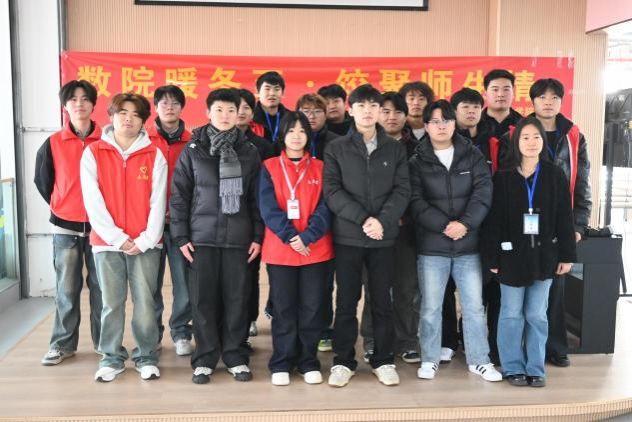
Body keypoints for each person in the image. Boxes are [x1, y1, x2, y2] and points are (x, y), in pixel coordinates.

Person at [170, 88, 263, 384]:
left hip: (239, 238)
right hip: (202, 238)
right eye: (219, 110)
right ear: (208, 113)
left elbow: (256, 198)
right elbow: (179, 196)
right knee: (203, 301)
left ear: (240, 114)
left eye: (231, 110)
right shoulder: (193, 149)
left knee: (237, 299)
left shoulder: (249, 151)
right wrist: (181, 236)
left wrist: (257, 235)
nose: (225, 115)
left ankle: (235, 356)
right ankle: (205, 358)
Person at [323, 84, 410, 387]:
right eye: (361, 105)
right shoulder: (336, 147)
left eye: (374, 106)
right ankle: (343, 361)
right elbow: (332, 191)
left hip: (383, 238)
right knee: (346, 301)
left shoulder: (395, 148)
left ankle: (383, 360)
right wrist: (363, 219)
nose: (368, 111)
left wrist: (381, 221)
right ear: (351, 110)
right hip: (348, 236)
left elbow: (402, 190)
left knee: (382, 301)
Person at [408, 100, 501, 382]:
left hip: (468, 246)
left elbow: (483, 194)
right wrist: (444, 226)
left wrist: (465, 224)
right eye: (435, 122)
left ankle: (479, 360)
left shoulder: (472, 155)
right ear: (426, 126)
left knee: (474, 308)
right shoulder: (416, 160)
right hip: (432, 247)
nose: (441, 126)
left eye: (446, 121)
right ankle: (429, 358)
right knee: (431, 308)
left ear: (454, 124)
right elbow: (415, 201)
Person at [482, 116, 576, 387]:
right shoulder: (503, 177)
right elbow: (493, 221)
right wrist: (492, 257)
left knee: (536, 314)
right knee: (511, 313)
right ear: (516, 142)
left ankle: (535, 367)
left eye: (536, 137)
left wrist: (567, 255)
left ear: (542, 141)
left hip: (545, 257)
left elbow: (565, 218)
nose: (531, 142)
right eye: (525, 137)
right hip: (511, 258)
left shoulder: (554, 175)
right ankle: (513, 367)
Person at [80, 92, 167, 382]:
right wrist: (117, 238)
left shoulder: (154, 153)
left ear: (143, 121)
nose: (128, 119)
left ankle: (146, 356)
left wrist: (145, 239)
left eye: (135, 114)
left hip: (146, 243)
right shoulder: (93, 152)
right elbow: (93, 201)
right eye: (122, 113)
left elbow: (159, 201)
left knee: (146, 302)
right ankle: (111, 357)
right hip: (106, 244)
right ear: (111, 116)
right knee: (111, 303)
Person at [258, 112, 334, 386]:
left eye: (302, 131)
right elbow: (267, 208)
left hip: (316, 249)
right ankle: (282, 361)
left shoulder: (322, 167)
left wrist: (308, 236)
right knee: (284, 308)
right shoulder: (268, 167)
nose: (297, 136)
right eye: (291, 130)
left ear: (308, 136)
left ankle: (308, 361)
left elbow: (327, 206)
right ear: (282, 135)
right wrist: (292, 237)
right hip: (282, 249)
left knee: (312, 307)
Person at [35, 80, 102, 366]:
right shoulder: (52, 143)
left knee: (102, 290)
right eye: (73, 99)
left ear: (93, 104)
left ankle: (105, 345)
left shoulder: (107, 139)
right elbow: (42, 180)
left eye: (85, 99)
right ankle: (62, 345)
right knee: (66, 290)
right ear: (65, 105)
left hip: (102, 228)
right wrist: (62, 202)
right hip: (65, 227)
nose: (79, 104)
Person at [529, 78, 592, 368]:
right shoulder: (519, 132)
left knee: (556, 287)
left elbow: (582, 183)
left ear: (561, 101)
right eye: (542, 97)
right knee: (524, 284)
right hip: (527, 219)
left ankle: (555, 346)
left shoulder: (573, 135)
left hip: (560, 222)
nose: (548, 102)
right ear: (533, 101)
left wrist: (578, 225)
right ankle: (525, 346)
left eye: (554, 97)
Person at [361, 91, 420, 364]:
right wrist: (379, 219)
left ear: (406, 116)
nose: (391, 117)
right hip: (373, 229)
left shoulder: (418, 148)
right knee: (374, 289)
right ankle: (372, 339)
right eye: (385, 111)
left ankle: (407, 340)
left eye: (398, 111)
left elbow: (415, 190)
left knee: (407, 288)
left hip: (407, 230)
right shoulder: (364, 145)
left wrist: (400, 216)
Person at [147, 84, 193, 356]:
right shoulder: (143, 139)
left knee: (184, 283)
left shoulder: (193, 141)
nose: (169, 107)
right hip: (149, 226)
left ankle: (181, 332)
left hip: (181, 225)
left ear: (182, 107)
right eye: (164, 103)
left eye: (175, 102)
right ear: (155, 107)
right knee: (150, 284)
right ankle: (152, 334)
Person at [235, 87, 274, 341]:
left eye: (246, 107)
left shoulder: (263, 146)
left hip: (256, 217)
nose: (241, 112)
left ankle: (249, 318)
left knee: (250, 272)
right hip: (226, 219)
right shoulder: (210, 143)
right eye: (235, 107)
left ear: (253, 113)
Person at [481, 69, 523, 139]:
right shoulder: (474, 124)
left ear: (513, 94)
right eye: (495, 90)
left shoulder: (524, 124)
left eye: (506, 89)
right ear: (485, 94)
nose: (500, 94)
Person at [296, 93, 339, 160]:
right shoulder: (289, 140)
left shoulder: (338, 142)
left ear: (325, 115)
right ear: (297, 115)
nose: (312, 116)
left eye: (317, 111)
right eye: (306, 111)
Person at [252, 71, 290, 145]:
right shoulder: (250, 118)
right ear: (257, 92)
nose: (272, 93)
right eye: (267, 89)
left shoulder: (290, 118)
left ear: (282, 93)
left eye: (276, 89)